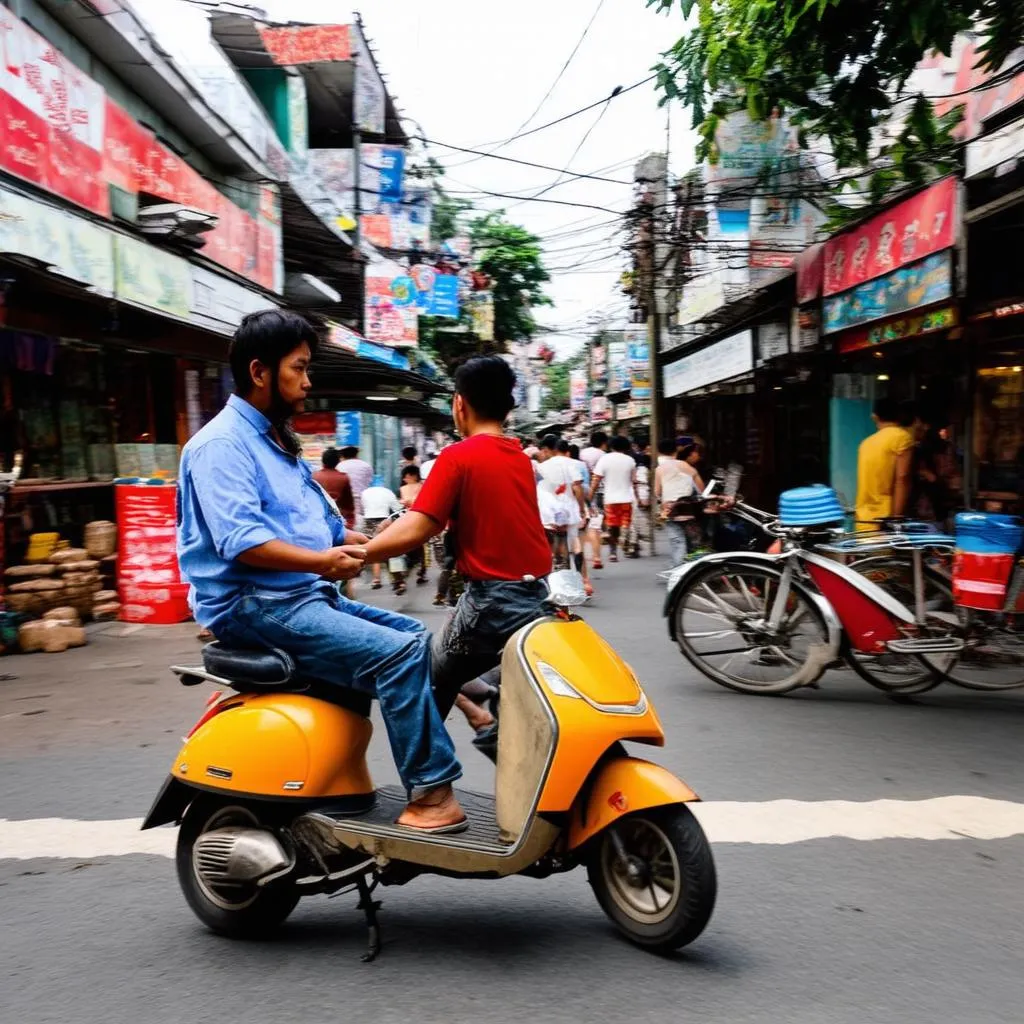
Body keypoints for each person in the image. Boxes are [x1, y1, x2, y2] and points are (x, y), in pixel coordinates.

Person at [176, 309, 464, 832]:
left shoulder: (274, 441)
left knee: (415, 637)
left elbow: (315, 528)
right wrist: (321, 561)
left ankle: (349, 774)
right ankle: (431, 793)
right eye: (299, 368)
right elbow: (241, 542)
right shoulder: (222, 446)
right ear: (260, 372)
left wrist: (366, 541)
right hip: (253, 604)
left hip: (298, 596)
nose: (308, 382)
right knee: (397, 653)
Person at [362, 355, 553, 727]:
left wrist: (361, 554)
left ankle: (431, 782)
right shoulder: (518, 457)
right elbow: (431, 513)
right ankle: (482, 708)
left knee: (420, 680)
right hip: (536, 596)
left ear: (459, 404)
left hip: (491, 604)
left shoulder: (457, 456)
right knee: (461, 669)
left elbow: (422, 526)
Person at [855, 397, 915, 530]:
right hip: (886, 519)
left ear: (874, 417)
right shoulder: (902, 438)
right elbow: (902, 478)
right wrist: (897, 518)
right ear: (900, 416)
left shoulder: (865, 444)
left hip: (864, 519)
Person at [537, 434, 587, 572]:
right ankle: (577, 572)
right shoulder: (570, 463)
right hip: (569, 507)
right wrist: (582, 508)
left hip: (549, 511)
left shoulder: (542, 467)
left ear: (547, 450)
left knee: (553, 541)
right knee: (574, 540)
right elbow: (577, 487)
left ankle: (558, 568)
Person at [589, 436, 637, 562]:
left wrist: (590, 496)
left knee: (612, 526)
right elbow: (634, 481)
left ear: (611, 446)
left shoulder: (604, 459)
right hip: (627, 498)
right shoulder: (630, 460)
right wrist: (638, 497)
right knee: (626, 524)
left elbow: (596, 479)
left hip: (610, 499)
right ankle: (627, 545)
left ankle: (613, 553)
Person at [655, 439, 697, 566]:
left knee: (677, 542)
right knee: (692, 543)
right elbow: (698, 486)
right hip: (688, 509)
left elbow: (657, 492)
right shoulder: (686, 466)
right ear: (676, 451)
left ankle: (678, 573)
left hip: (670, 510)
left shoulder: (660, 468)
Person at [361, 476, 405, 593]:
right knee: (389, 551)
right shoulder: (387, 492)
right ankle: (399, 580)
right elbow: (397, 508)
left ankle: (376, 579)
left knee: (372, 548)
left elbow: (361, 509)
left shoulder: (365, 492)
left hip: (368, 522)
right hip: (384, 522)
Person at [399, 465, 428, 586]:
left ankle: (417, 569)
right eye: (404, 477)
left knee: (415, 543)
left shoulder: (419, 486)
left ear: (414, 476)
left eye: (407, 476)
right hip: (416, 517)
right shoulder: (418, 487)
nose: (405, 478)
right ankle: (420, 569)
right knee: (419, 544)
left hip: (411, 517)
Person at [312, 448, 355, 529]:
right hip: (336, 522)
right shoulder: (343, 478)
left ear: (323, 461)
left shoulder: (314, 476)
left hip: (316, 520)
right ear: (338, 462)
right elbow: (349, 505)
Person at [337, 445, 374, 523]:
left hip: (345, 500)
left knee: (347, 522)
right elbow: (369, 482)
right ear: (356, 454)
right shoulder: (365, 465)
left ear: (343, 455)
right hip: (362, 498)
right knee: (361, 522)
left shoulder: (340, 466)